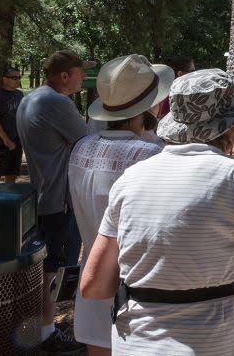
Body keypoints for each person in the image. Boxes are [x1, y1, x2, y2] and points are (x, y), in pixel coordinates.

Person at [80, 69, 234, 354]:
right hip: (216, 343)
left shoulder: (131, 178)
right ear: (231, 127)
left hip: (136, 343)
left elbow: (93, 286)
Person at [68, 55, 172, 355]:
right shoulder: (150, 155)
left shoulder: (81, 148)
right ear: (147, 108)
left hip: (92, 284)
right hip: (137, 295)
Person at [16, 49, 95, 353]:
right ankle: (47, 333)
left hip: (41, 191)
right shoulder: (58, 103)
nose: (83, 77)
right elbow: (88, 141)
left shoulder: (31, 98)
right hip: (58, 199)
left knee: (45, 264)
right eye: (80, 71)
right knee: (55, 267)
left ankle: (41, 326)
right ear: (65, 76)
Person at [0, 66, 24, 184]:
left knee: (12, 174)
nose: (18, 80)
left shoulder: (19, 95)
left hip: (16, 141)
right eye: (14, 77)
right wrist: (6, 140)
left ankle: (8, 199)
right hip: (0, 143)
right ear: (4, 79)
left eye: (19, 77)